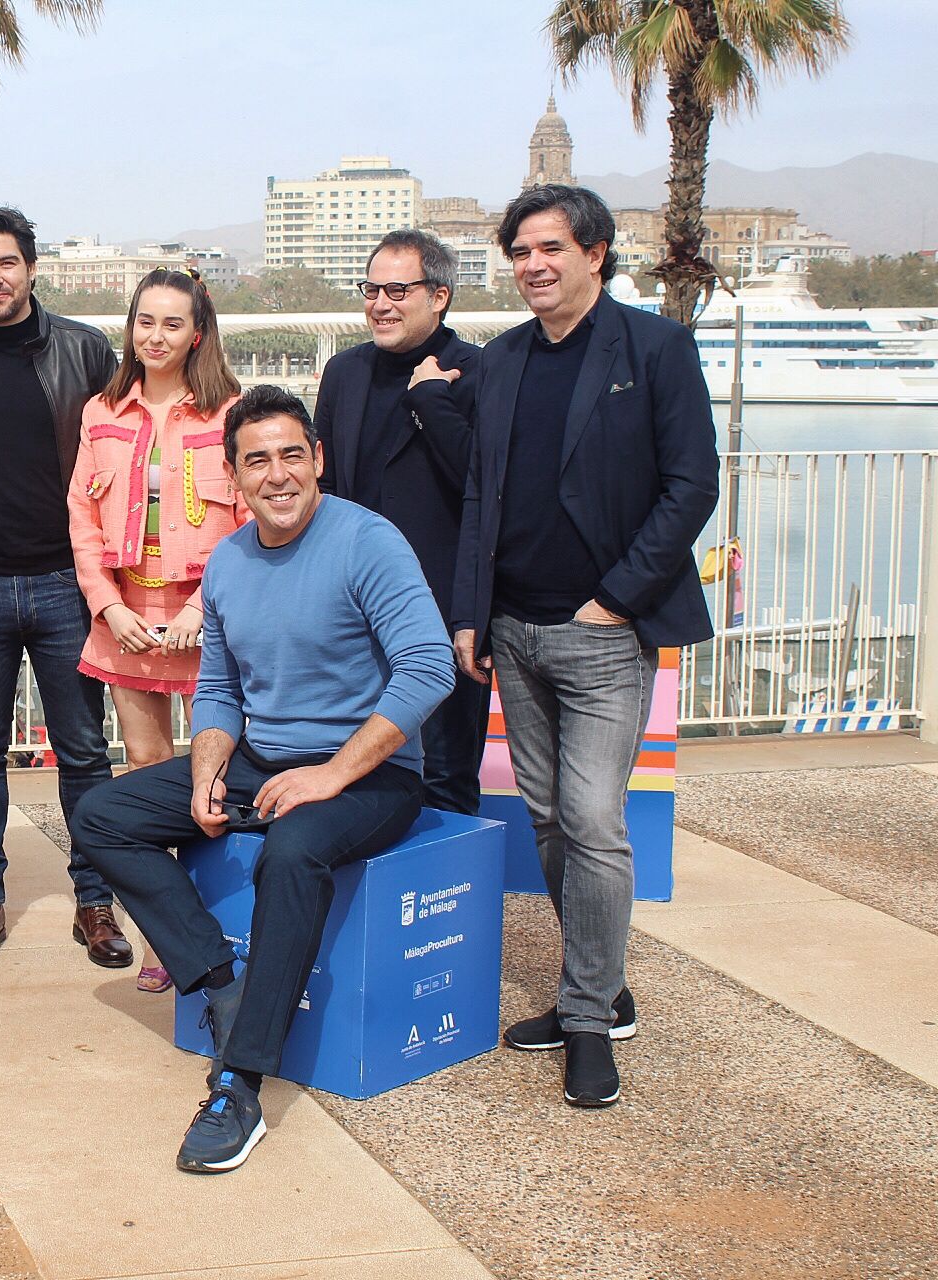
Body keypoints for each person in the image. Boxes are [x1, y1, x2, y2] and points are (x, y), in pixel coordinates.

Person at [71, 385, 454, 1174]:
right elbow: (220, 687)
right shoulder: (232, 562)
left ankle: (239, 1084)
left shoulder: (368, 542)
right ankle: (217, 981)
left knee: (292, 849)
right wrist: (208, 770)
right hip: (262, 758)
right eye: (256, 461)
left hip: (371, 771)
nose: (276, 475)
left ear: (316, 459)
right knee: (104, 813)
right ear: (235, 479)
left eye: (290, 455)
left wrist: (329, 774)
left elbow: (428, 668)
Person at [452, 184, 718, 1108]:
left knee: (597, 823)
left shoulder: (654, 348)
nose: (533, 265)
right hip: (515, 635)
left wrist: (615, 600)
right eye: (520, 250)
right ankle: (600, 981)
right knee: (551, 821)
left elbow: (690, 487)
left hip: (604, 633)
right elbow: (483, 493)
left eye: (551, 248)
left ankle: (589, 1019)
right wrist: (471, 614)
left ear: (596, 253)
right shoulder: (503, 360)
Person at [0, 206, 130, 969]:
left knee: (82, 750)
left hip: (64, 585)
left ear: (31, 267)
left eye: (6, 262)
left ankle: (95, 903)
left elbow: (124, 443)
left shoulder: (82, 349)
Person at [67, 267, 244, 991]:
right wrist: (107, 606)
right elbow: (80, 517)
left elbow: (250, 519)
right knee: (143, 776)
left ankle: (216, 918)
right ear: (130, 327)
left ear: (196, 332)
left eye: (173, 324)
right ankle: (162, 937)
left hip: (208, 620)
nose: (157, 336)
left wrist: (205, 607)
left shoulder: (229, 414)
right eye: (145, 321)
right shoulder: (101, 411)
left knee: (211, 773)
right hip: (127, 617)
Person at [314, 229, 489, 816]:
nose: (380, 303)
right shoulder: (345, 372)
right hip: (351, 611)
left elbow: (483, 487)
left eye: (397, 290)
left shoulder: (476, 371)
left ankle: (449, 899)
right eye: (371, 289)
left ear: (439, 296)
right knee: (350, 763)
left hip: (440, 613)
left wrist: (432, 402)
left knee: (445, 771)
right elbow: (327, 489)